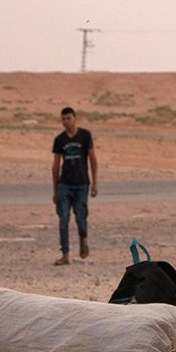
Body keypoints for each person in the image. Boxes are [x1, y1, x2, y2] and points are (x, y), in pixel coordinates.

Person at [51, 106, 98, 266]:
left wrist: (94, 183)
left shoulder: (85, 136)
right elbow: (56, 165)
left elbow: (92, 160)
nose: (66, 122)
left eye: (68, 118)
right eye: (63, 119)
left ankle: (83, 238)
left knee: (80, 217)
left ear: (75, 118)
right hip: (65, 184)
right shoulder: (59, 140)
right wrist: (55, 190)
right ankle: (65, 254)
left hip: (82, 184)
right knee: (63, 219)